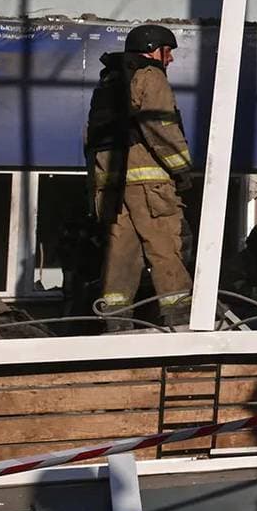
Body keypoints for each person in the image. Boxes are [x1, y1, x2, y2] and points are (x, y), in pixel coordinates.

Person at [84, 24, 194, 329]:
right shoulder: (150, 75)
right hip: (150, 186)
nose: (170, 59)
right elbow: (160, 125)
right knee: (165, 246)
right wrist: (182, 168)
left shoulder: (108, 83)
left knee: (121, 254)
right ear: (152, 50)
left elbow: (91, 139)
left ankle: (116, 322)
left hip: (112, 188)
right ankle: (180, 317)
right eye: (167, 51)